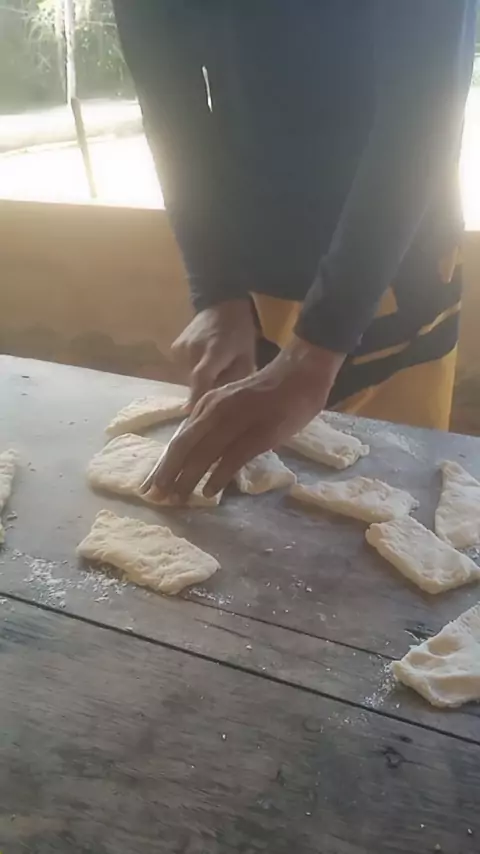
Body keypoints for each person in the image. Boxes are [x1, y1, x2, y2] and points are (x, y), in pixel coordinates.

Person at [112, 1, 478, 500]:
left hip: (396, 267)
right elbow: (171, 107)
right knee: (257, 505)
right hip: (255, 282)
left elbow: (422, 114)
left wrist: (317, 351)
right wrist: (218, 292)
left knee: (400, 490)